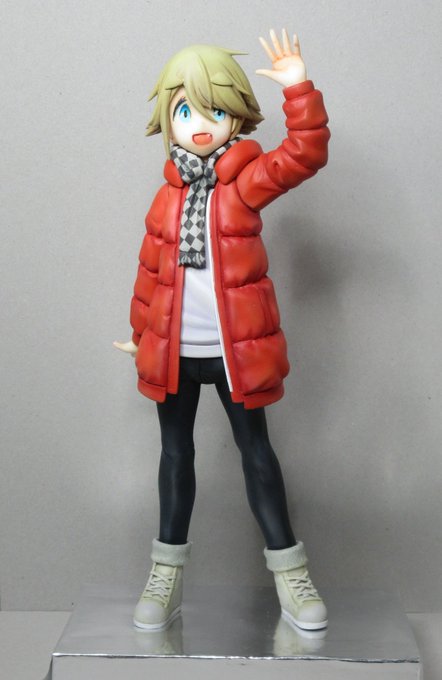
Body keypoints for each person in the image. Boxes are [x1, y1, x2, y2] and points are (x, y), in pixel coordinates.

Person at [114, 29, 330, 632]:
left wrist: (298, 89)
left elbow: (304, 154)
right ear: (168, 120)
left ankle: (291, 575)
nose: (200, 124)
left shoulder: (245, 181)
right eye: (185, 111)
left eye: (213, 109)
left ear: (235, 114)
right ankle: (165, 576)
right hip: (175, 354)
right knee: (174, 455)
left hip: (237, 353)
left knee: (257, 455)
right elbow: (150, 273)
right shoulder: (166, 198)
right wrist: (141, 334)